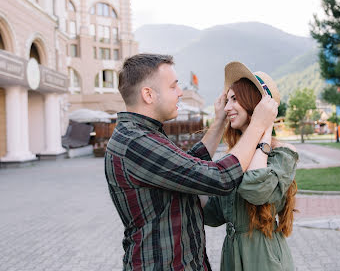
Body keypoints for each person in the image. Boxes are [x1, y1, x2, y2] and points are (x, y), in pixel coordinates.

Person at [104, 54, 278, 270]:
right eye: (173, 86)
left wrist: (219, 122)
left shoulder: (142, 134)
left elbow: (189, 166)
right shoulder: (136, 142)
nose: (180, 93)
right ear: (148, 94)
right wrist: (259, 124)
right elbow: (221, 177)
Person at [201, 61, 298, 271]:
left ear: (255, 102)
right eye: (227, 100)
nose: (227, 108)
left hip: (263, 257)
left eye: (234, 99)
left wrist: (264, 130)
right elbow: (215, 213)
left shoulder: (282, 154)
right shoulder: (234, 156)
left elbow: (256, 189)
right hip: (232, 256)